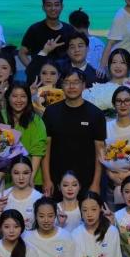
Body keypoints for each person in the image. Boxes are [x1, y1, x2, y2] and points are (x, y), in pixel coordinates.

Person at [42, 69, 106, 198]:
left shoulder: (96, 114)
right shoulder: (51, 112)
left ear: (84, 85)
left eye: (76, 82)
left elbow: (100, 152)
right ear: (61, 85)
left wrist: (96, 183)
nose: (71, 86)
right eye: (67, 82)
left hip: (87, 179)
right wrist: (47, 179)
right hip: (57, 179)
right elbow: (46, 148)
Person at [19, 0, 75, 83]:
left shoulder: (69, 30)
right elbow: (22, 53)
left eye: (56, 5)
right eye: (49, 5)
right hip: (38, 81)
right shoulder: (35, 29)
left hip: (62, 80)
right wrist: (32, 69)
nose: (53, 8)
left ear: (62, 7)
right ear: (43, 7)